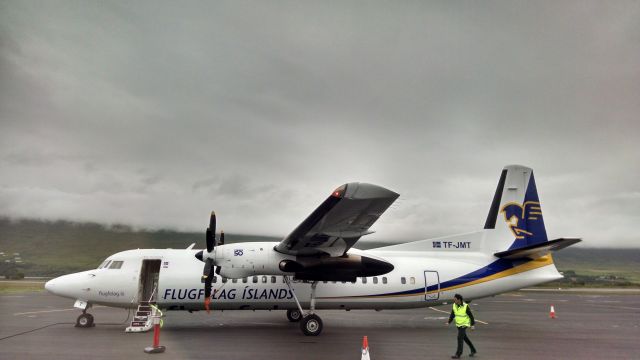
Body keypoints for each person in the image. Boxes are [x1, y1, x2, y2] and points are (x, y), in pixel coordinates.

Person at [446, 294, 477, 358]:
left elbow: (471, 316)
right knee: (464, 338)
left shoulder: (465, 306)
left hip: (464, 324)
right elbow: (452, 314)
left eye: (455, 299)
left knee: (459, 337)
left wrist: (472, 325)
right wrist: (449, 322)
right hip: (458, 324)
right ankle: (473, 350)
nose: (454, 301)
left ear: (459, 300)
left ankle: (458, 354)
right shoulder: (454, 305)